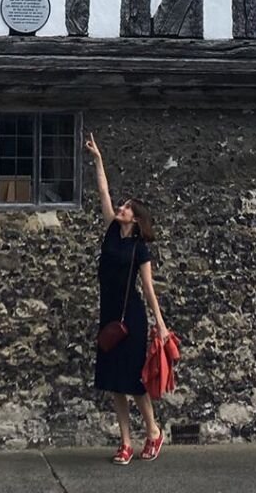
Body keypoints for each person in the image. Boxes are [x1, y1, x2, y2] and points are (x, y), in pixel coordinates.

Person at [86, 131, 170, 464]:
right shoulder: (110, 229)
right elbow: (103, 191)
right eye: (121, 206)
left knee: (134, 382)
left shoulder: (140, 249)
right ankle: (125, 442)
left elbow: (148, 290)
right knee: (112, 382)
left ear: (135, 220)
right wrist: (99, 160)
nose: (120, 208)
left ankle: (153, 432)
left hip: (131, 318)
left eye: (126, 208)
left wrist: (160, 325)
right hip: (108, 314)